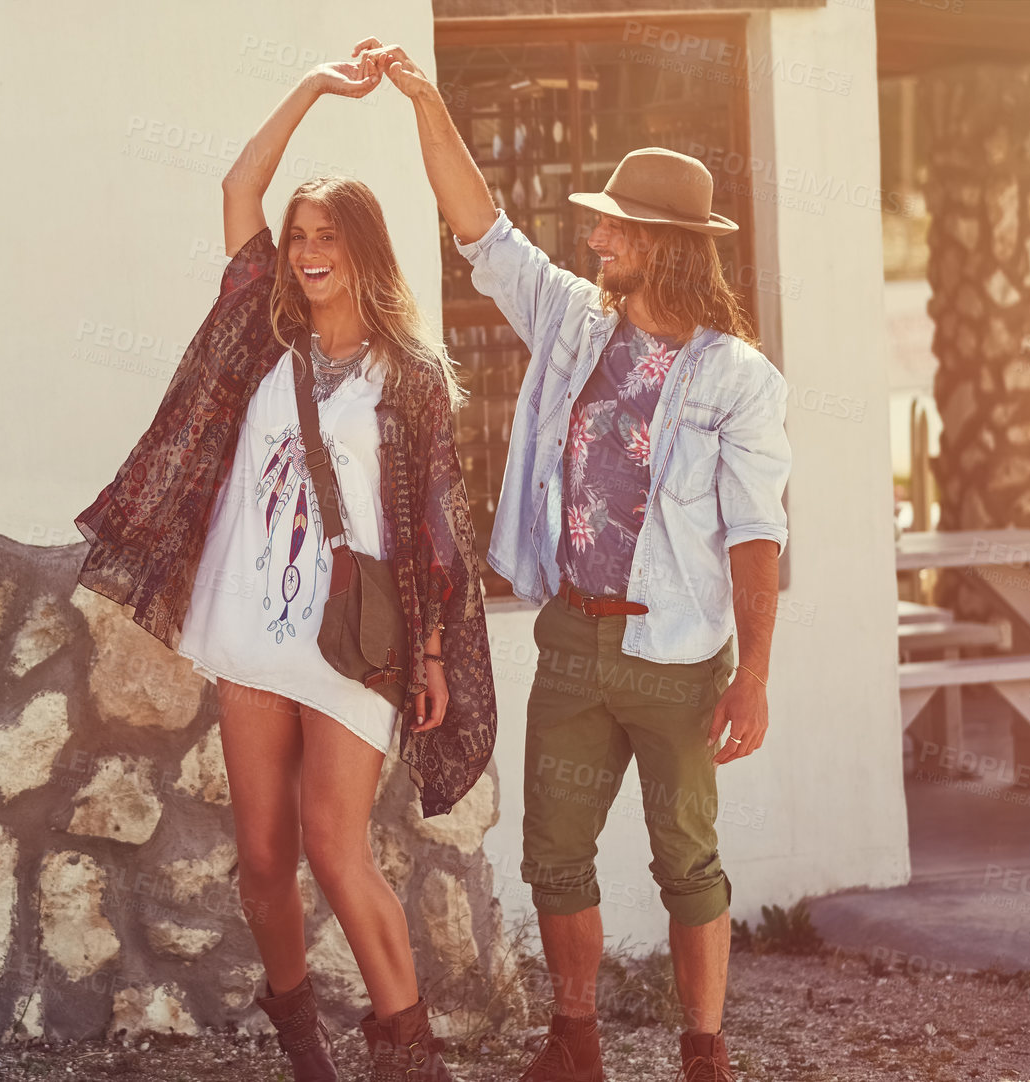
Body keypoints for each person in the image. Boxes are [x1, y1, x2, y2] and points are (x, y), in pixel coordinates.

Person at [354, 38, 792, 1082]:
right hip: (569, 642)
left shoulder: (737, 377)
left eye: (611, 226)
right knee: (551, 856)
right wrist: (423, 97)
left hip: (677, 657)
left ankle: (702, 1052)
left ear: (661, 243)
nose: (592, 238)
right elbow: (479, 229)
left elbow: (754, 532)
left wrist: (755, 675)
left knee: (686, 860)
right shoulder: (569, 321)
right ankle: (575, 1041)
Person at [74, 56, 497, 1082]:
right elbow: (235, 190)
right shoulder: (260, 330)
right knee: (261, 857)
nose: (306, 253)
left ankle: (409, 1055)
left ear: (361, 252)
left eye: (325, 238)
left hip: (353, 639)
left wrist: (433, 650)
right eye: (298, 237)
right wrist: (310, 88)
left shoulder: (411, 378)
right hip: (254, 632)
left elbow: (434, 532)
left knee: (334, 845)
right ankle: (302, 1040)